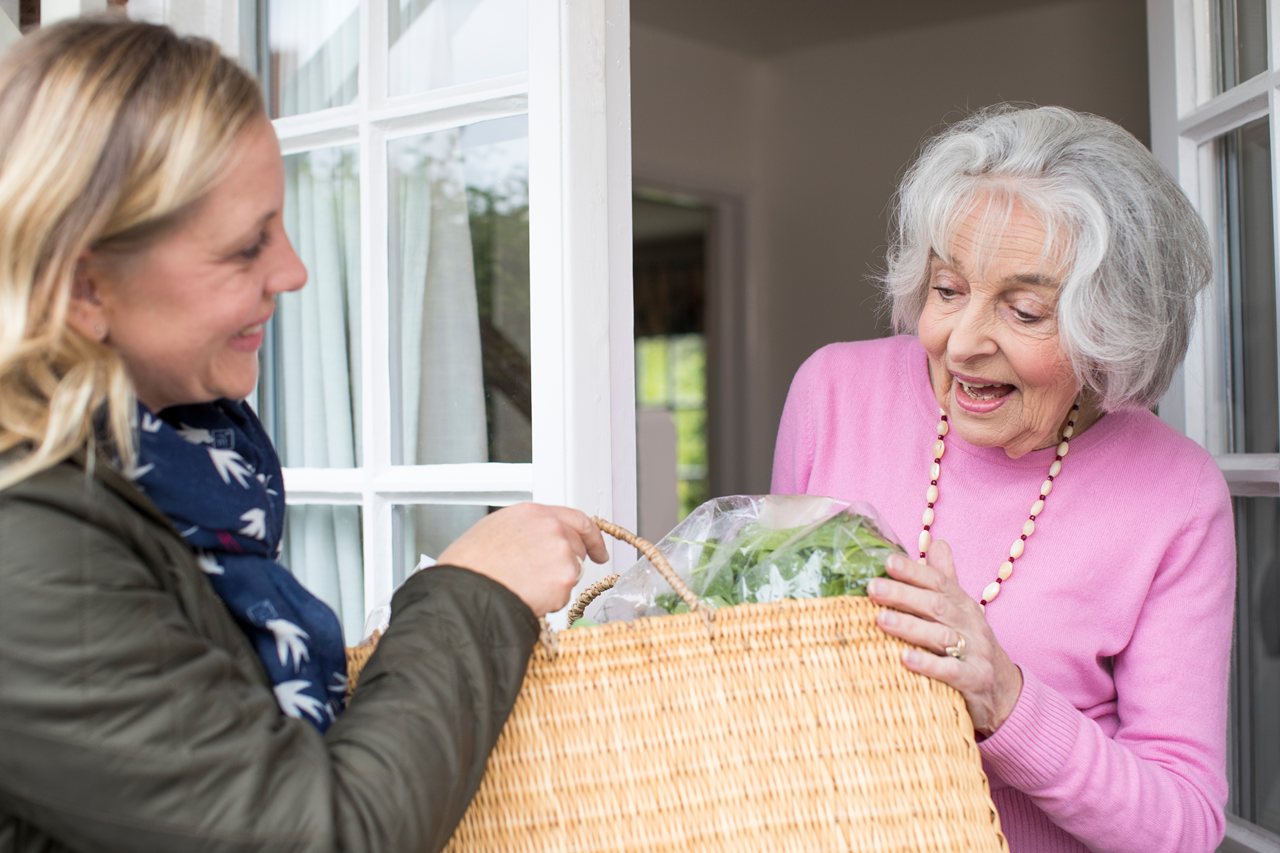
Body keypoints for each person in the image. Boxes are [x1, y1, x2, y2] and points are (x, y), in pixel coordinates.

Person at [0, 18, 608, 852]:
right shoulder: (27, 549)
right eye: (246, 245)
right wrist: (475, 592)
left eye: (281, 224)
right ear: (83, 288)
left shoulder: (178, 475)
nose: (292, 270)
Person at [772, 106, 1234, 852]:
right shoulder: (832, 393)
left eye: (1023, 310)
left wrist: (1006, 700)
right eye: (948, 289)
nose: (961, 343)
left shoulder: (1176, 494)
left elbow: (1182, 825)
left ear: (1115, 323)